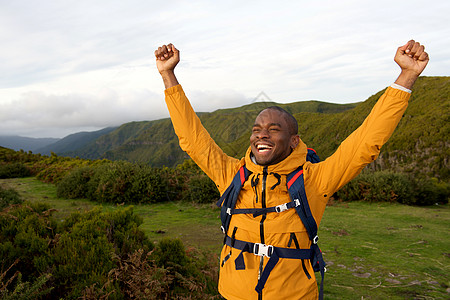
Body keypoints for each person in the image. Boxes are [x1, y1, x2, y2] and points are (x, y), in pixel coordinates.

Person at [154, 40, 429, 299]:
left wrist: (406, 77)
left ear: (293, 141)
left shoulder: (314, 180)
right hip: (232, 293)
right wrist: (168, 75)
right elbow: (192, 140)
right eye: (257, 130)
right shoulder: (232, 174)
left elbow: (365, 143)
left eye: (273, 130)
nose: (262, 136)